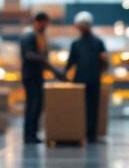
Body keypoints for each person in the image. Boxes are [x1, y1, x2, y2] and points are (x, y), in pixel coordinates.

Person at [62, 11, 107, 143]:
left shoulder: (98, 42)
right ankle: (80, 132)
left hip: (93, 79)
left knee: (93, 107)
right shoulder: (76, 44)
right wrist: (63, 74)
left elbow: (104, 61)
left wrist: (103, 66)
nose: (80, 27)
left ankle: (91, 134)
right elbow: (71, 61)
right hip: (80, 81)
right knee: (80, 108)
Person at [18, 11, 56, 144]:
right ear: (40, 22)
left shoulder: (39, 36)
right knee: (32, 106)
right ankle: (28, 136)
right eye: (46, 23)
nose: (46, 26)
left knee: (37, 105)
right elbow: (29, 55)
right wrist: (46, 63)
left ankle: (33, 134)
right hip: (30, 76)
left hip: (37, 75)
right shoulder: (29, 35)